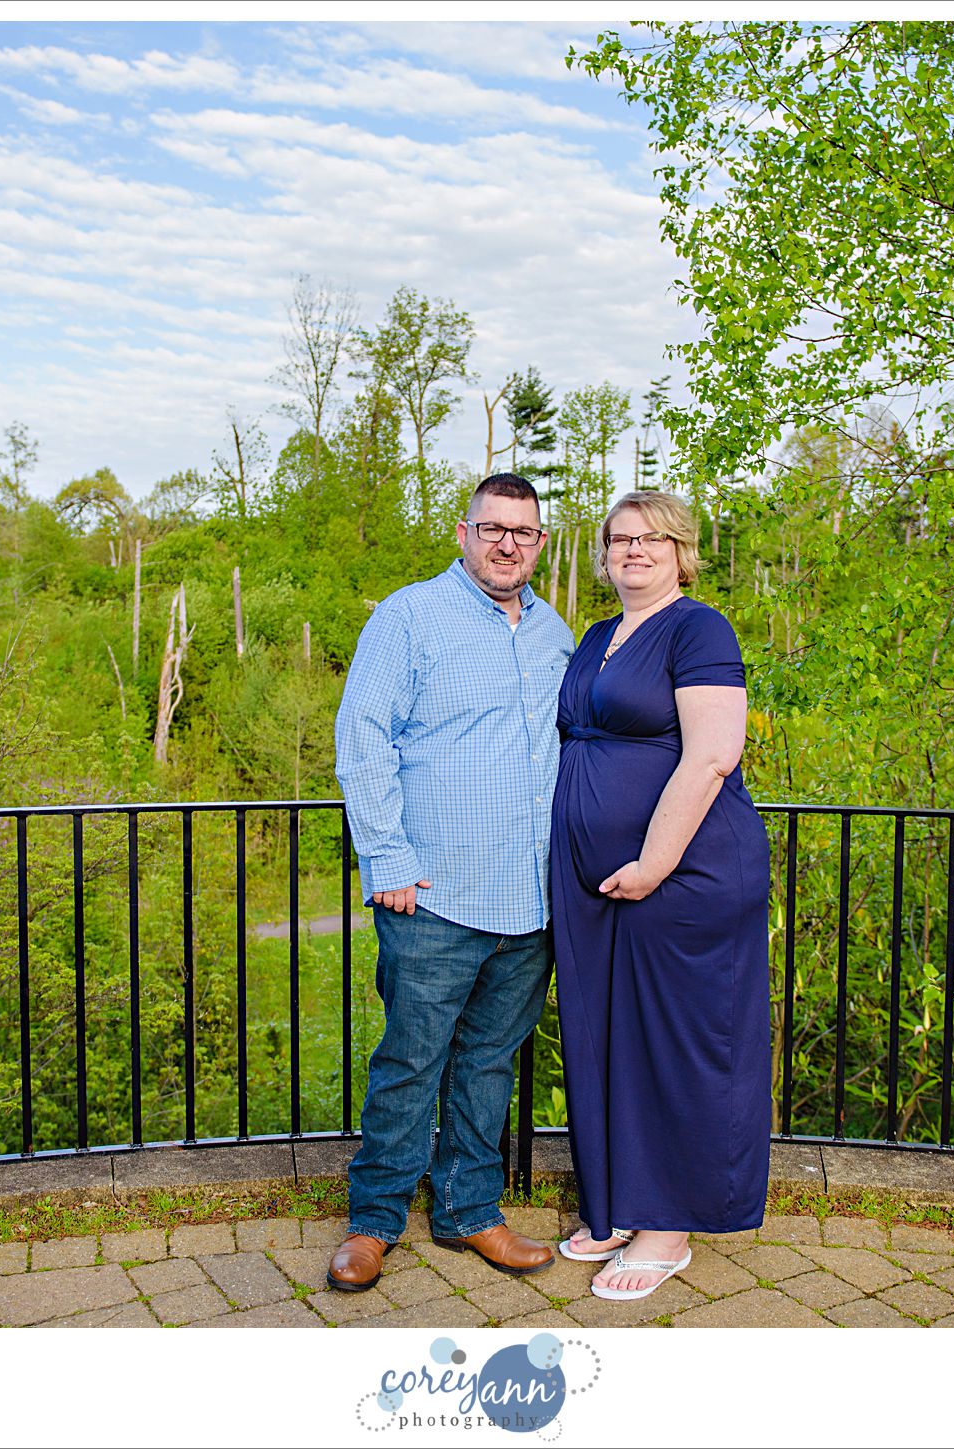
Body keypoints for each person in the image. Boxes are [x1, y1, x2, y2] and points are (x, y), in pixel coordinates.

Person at [326, 473, 576, 1293]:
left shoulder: (554, 632)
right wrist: (388, 860)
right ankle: (375, 1221)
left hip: (530, 900)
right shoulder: (409, 616)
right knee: (410, 1060)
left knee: (488, 1067)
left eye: (524, 531)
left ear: (541, 543)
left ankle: (471, 1210)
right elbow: (363, 737)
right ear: (464, 532)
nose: (508, 542)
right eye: (493, 527)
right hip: (432, 895)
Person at [549, 489, 771, 1301]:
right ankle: (617, 1205)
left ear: (681, 550)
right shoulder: (598, 636)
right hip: (596, 885)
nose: (633, 550)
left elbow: (713, 754)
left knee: (675, 1042)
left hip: (682, 874)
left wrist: (650, 861)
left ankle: (669, 1225)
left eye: (651, 538)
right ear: (603, 555)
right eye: (619, 539)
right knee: (610, 1038)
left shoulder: (699, 628)